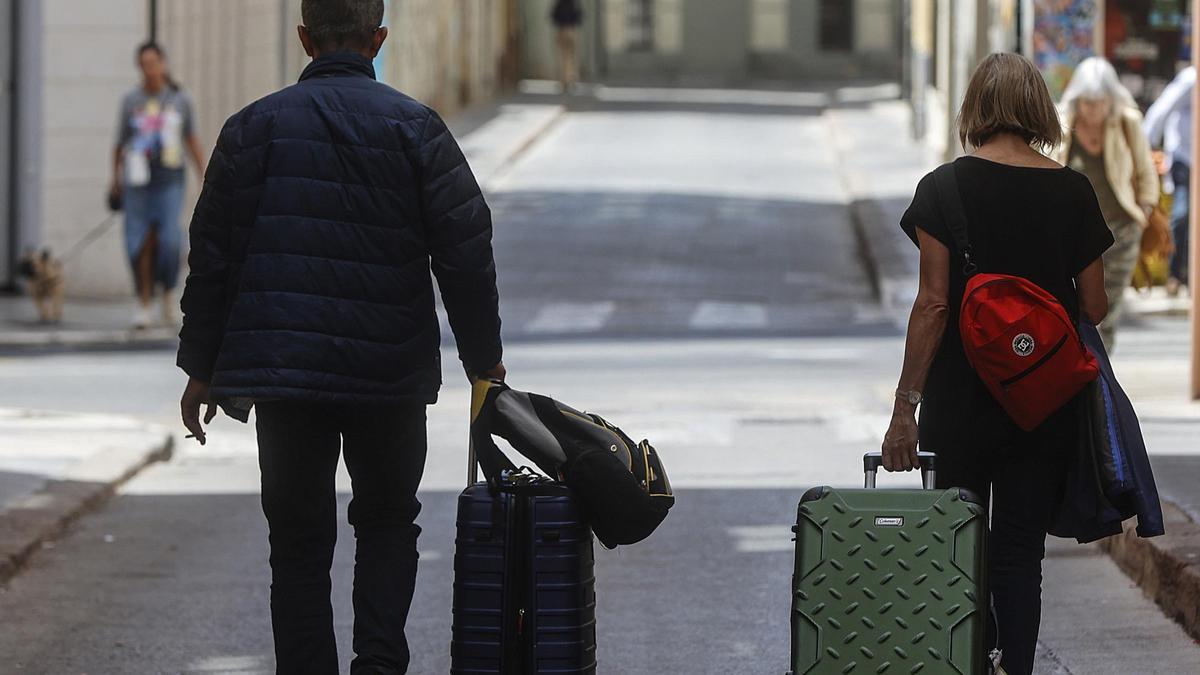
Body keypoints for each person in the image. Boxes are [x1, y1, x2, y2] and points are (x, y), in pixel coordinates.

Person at [175, 1, 505, 672]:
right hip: (389, 375)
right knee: (387, 524)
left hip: (285, 376)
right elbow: (466, 252)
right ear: (377, 39)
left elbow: (213, 256)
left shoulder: (250, 131)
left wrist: (201, 367)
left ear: (304, 38)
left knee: (297, 543)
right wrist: (484, 365)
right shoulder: (417, 128)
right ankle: (379, 664)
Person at [882, 53, 1112, 675]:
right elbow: (1094, 303)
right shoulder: (1072, 190)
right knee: (1018, 551)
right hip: (1042, 403)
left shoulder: (942, 189)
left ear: (973, 110)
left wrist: (905, 409)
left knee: (959, 547)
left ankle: (965, 664)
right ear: (1039, 108)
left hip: (959, 405)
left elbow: (932, 304)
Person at [1053, 57, 1158, 350]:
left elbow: (1145, 169)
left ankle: (1102, 372)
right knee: (1073, 307)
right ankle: (1082, 366)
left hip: (1119, 231)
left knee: (1107, 309)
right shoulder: (1063, 124)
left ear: (1111, 100)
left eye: (1100, 103)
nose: (1093, 110)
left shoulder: (1126, 122)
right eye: (1087, 103)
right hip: (1073, 236)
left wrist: (1145, 209)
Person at [111, 42, 205, 329]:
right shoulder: (131, 100)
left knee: (170, 240)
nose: (149, 69)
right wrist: (114, 178)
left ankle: (167, 289)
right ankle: (143, 300)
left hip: (169, 179)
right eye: (144, 64)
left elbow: (191, 138)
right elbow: (120, 141)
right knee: (138, 242)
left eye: (153, 63)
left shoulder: (180, 99)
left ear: (163, 63)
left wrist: (204, 173)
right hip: (138, 180)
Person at [1144, 65, 1195, 297]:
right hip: (1186, 159)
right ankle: (1175, 274)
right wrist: (1145, 145)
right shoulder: (1191, 79)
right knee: (1183, 215)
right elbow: (1163, 109)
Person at [551, 0, 584, 92]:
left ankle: (564, 81)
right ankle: (571, 80)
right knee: (572, 57)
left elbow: (553, 16)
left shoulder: (559, 3)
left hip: (561, 30)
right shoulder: (574, 3)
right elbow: (579, 16)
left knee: (562, 57)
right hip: (571, 30)